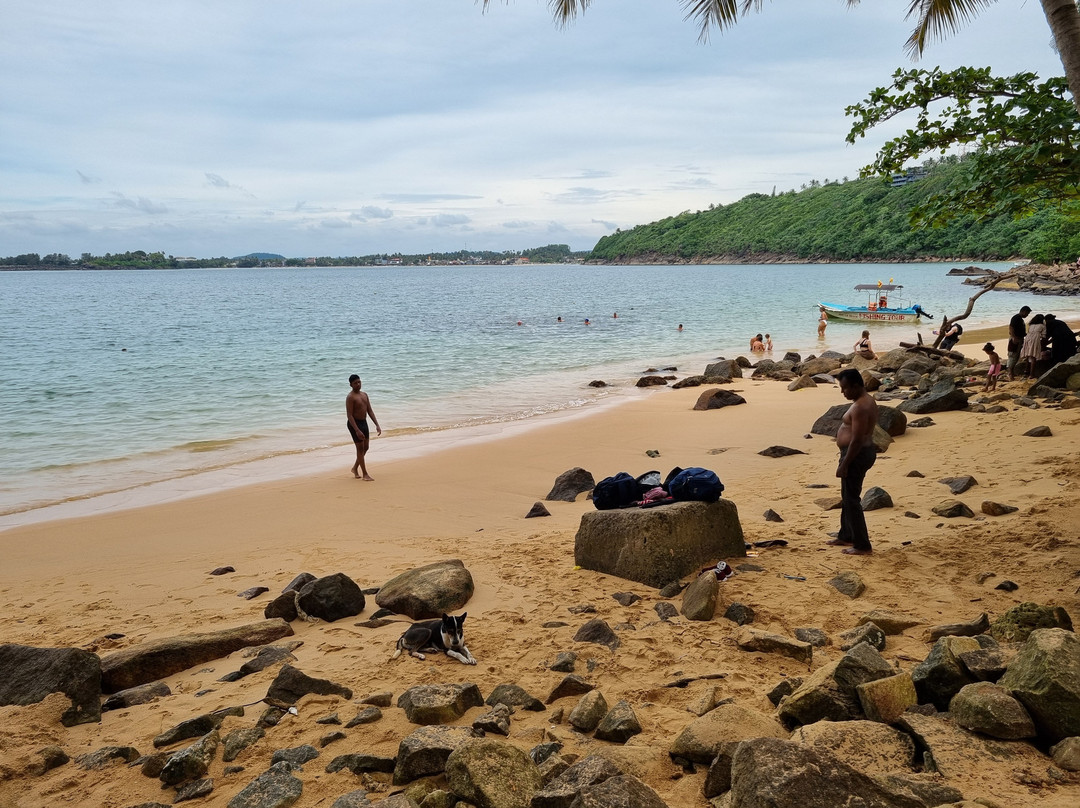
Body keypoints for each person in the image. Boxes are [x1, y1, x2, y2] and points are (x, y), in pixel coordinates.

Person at [826, 368, 878, 555]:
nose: (843, 392)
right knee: (847, 496)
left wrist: (845, 464)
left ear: (856, 386)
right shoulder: (864, 401)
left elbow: (857, 439)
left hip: (856, 454)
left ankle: (862, 545)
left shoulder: (861, 407)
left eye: (845, 388)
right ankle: (846, 534)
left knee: (852, 499)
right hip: (857, 453)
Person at [346, 374, 382, 481]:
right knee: (360, 449)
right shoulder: (350, 397)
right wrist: (357, 430)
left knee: (366, 447)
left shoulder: (364, 395)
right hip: (354, 424)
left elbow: (370, 411)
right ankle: (365, 474)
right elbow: (349, 415)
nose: (358, 384)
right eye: (355, 383)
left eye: (359, 382)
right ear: (351, 385)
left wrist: (377, 424)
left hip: (363, 422)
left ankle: (355, 468)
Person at [1007, 306, 1032, 381]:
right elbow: (1011, 327)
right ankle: (1010, 373)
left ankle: (1011, 372)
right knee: (1013, 355)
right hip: (1016, 339)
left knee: (1016, 356)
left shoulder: (1020, 319)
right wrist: (1014, 337)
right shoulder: (1016, 318)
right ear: (1024, 311)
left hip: (1019, 338)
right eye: (1027, 313)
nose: (1027, 315)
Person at [1019, 314, 1046, 379]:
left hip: (1027, 338)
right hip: (1035, 339)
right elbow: (1044, 336)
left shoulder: (1031, 325)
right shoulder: (1042, 326)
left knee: (1028, 356)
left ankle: (1026, 372)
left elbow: (1028, 332)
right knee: (1033, 356)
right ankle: (1031, 374)